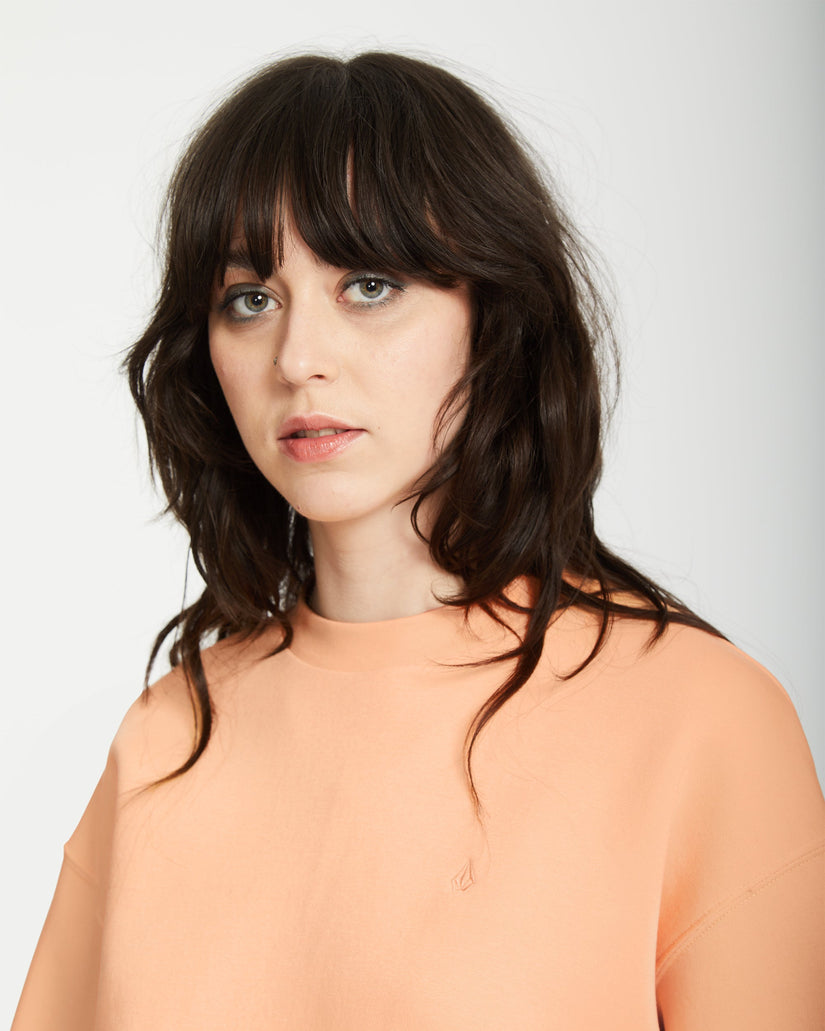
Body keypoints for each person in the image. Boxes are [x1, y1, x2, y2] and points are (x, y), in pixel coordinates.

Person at [12, 51, 824, 1030]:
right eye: (250, 298)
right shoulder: (169, 735)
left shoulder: (701, 720)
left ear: (494, 316)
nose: (298, 359)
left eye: (368, 285)